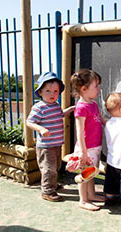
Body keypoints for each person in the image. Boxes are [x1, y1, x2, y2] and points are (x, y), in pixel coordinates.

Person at [26, 72, 74, 202]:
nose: (52, 94)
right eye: (48, 91)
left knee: (56, 166)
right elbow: (29, 122)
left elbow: (59, 115)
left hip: (56, 144)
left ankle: (52, 185)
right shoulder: (39, 107)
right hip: (46, 146)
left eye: (55, 91)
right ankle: (47, 191)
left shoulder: (55, 106)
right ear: (40, 92)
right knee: (48, 168)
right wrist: (41, 129)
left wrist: (69, 110)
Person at [70, 68, 107, 211]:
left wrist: (115, 121)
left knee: (92, 171)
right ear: (84, 89)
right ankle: (83, 199)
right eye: (96, 86)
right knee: (84, 173)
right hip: (86, 148)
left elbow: (102, 120)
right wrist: (83, 152)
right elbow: (79, 132)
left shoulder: (93, 104)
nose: (98, 89)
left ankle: (91, 194)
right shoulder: (81, 107)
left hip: (95, 146)